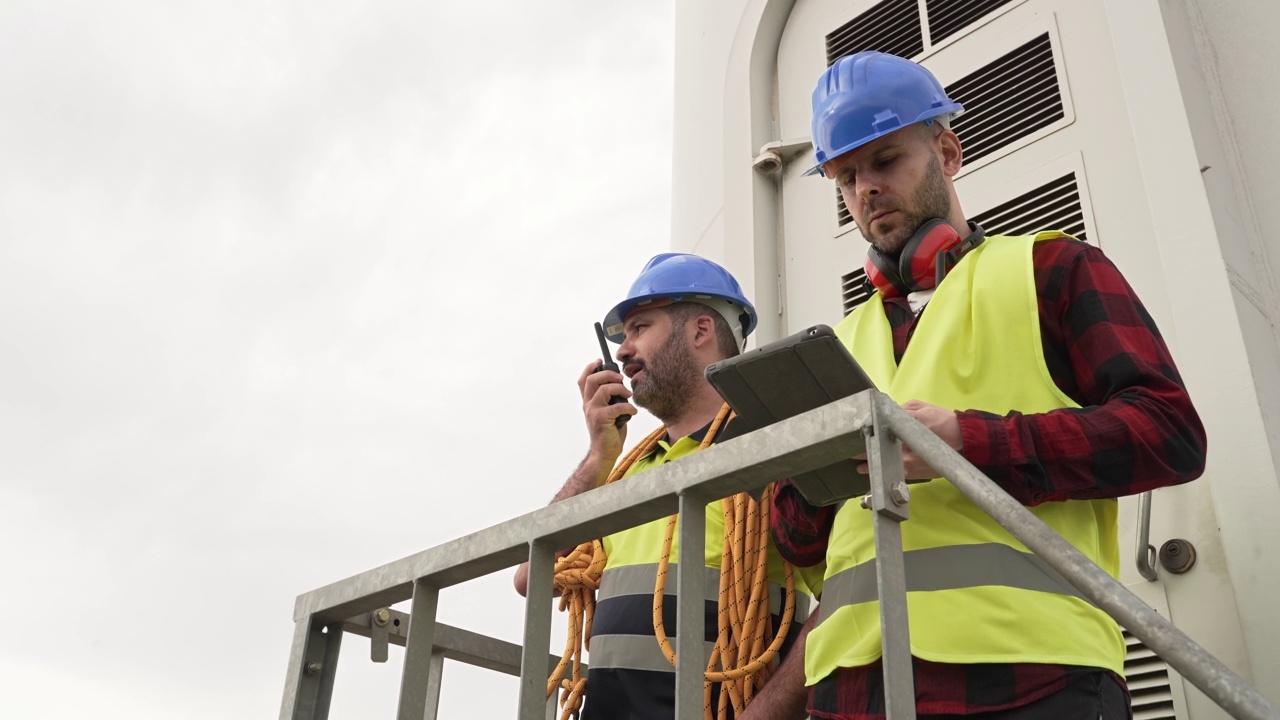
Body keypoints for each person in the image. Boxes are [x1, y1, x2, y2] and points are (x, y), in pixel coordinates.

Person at [766, 51, 1207, 719]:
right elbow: (797, 547)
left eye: (885, 161)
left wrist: (966, 442)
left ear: (948, 153)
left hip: (1030, 677)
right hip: (850, 692)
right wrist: (806, 472)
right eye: (846, 176)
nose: (865, 190)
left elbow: (1171, 436)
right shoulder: (841, 342)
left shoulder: (1053, 269)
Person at [514, 253, 821, 720]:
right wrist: (600, 455)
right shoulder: (627, 476)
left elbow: (846, 589)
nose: (621, 351)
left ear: (700, 331)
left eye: (640, 328)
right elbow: (529, 579)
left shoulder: (772, 450)